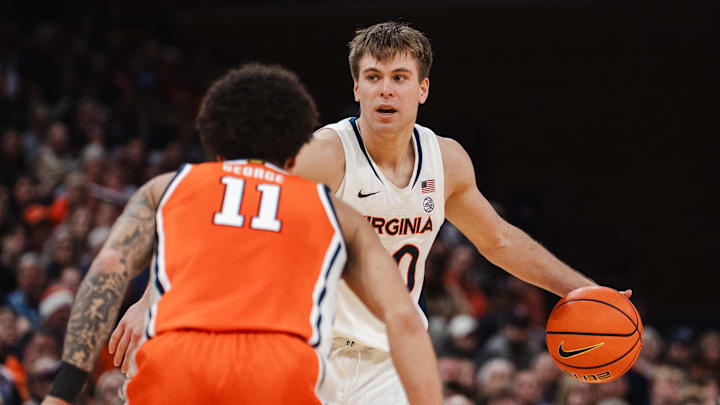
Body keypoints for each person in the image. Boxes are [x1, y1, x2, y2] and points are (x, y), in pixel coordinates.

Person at [111, 22, 631, 403]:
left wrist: (579, 289)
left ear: (422, 90)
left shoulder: (446, 161)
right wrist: (154, 296)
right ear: (356, 88)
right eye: (374, 76)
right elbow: (227, 206)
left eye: (401, 77)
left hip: (390, 359)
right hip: (309, 351)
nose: (387, 88)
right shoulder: (322, 155)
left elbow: (497, 240)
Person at [40, 64, 441, 404]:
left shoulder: (167, 188)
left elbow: (107, 271)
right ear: (293, 151)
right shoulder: (334, 210)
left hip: (179, 363)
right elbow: (404, 320)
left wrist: (62, 392)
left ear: (214, 143)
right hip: (279, 371)